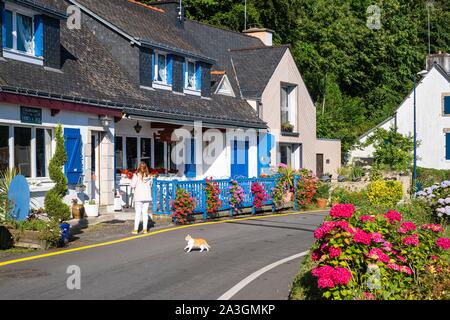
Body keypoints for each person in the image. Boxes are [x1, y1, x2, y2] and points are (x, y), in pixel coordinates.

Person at [130, 162, 154, 235]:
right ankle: (145, 229)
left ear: (138, 167)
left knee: (138, 213)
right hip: (146, 197)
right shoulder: (150, 176)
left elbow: (132, 185)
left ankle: (136, 229)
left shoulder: (136, 175)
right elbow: (151, 185)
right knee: (145, 213)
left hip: (138, 197)